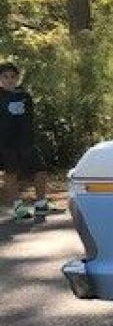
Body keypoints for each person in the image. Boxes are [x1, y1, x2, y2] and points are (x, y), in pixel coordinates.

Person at [0, 60, 53, 221]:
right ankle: (18, 209)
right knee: (11, 174)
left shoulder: (25, 96)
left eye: (13, 77)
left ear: (17, 78)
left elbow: (29, 118)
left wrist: (30, 136)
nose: (9, 80)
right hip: (6, 143)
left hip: (26, 142)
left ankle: (41, 204)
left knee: (41, 170)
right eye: (5, 77)